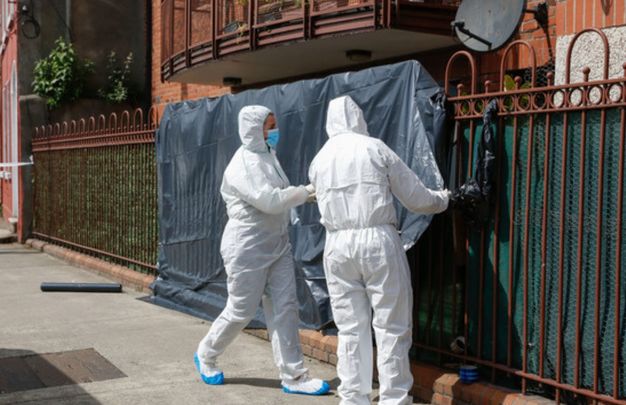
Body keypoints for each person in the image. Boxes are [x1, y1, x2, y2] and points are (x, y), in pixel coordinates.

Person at [308, 96, 450, 405]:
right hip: (377, 241)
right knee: (391, 325)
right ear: (358, 117)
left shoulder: (319, 160)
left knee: (349, 328)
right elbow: (416, 198)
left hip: (337, 245)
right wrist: (443, 199)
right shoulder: (374, 148)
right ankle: (393, 398)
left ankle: (353, 397)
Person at [194, 105, 330, 396]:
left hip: (277, 243)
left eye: (274, 123)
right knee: (242, 310)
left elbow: (279, 197)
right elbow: (268, 201)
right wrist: (303, 193)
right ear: (255, 129)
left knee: (286, 308)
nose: (275, 130)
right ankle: (206, 353)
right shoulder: (242, 164)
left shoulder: (268, 156)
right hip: (247, 246)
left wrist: (301, 197)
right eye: (270, 125)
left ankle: (294, 376)